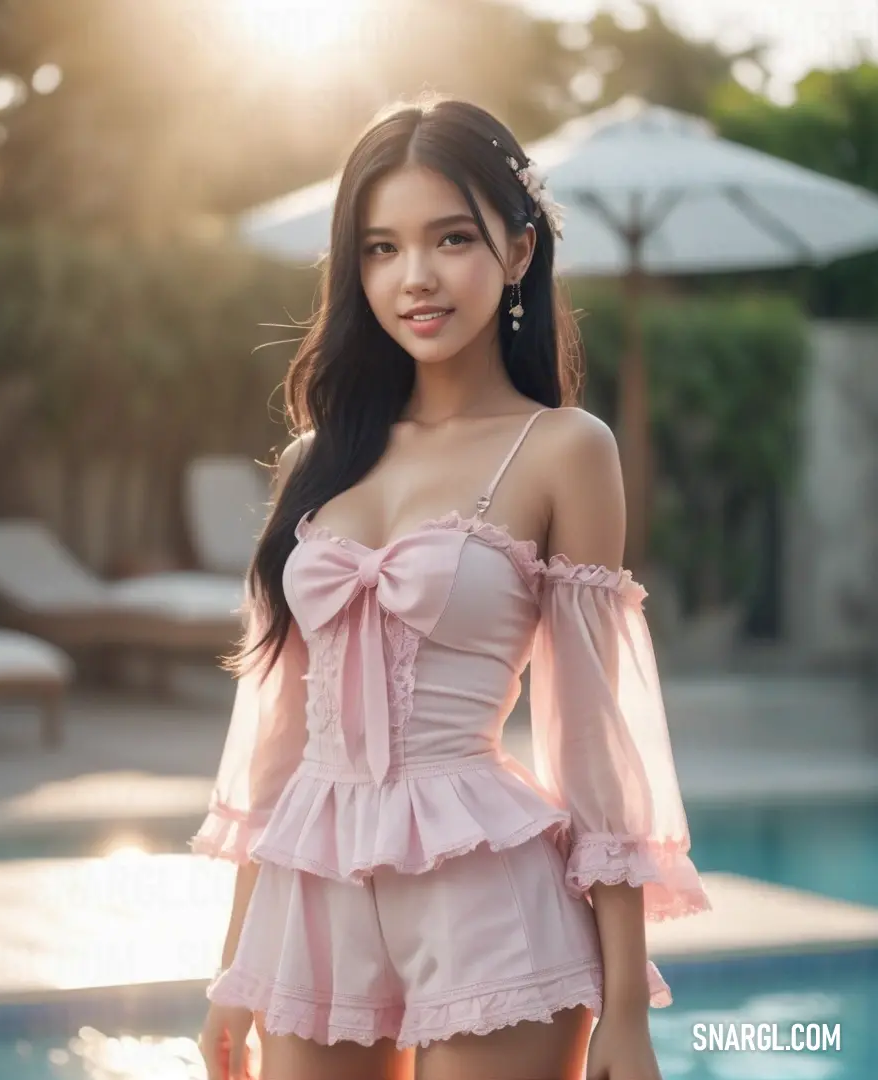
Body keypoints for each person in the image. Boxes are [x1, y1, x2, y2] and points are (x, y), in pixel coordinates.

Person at [193, 94, 709, 1080]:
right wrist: (231, 966)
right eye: (382, 248)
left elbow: (594, 734)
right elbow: (273, 747)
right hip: (314, 897)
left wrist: (628, 1011)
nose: (415, 278)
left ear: (518, 252)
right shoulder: (316, 458)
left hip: (488, 893)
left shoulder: (564, 449)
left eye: (451, 238)